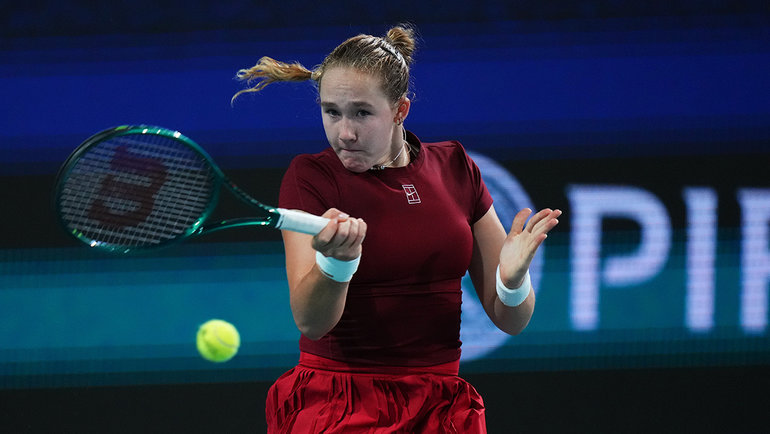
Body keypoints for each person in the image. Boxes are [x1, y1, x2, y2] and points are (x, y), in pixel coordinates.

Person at [233, 24, 561, 433]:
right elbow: (311, 322)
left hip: (440, 410)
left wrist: (511, 283)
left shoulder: (456, 167)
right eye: (331, 112)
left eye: (362, 113)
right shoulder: (311, 177)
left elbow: (511, 320)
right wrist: (338, 264)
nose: (345, 132)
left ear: (400, 110)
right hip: (341, 406)